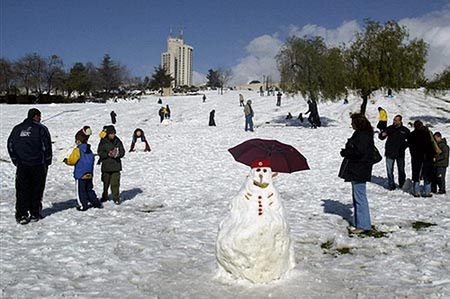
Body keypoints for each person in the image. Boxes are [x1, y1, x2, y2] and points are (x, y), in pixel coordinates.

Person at [7, 108, 52, 224]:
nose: (40, 118)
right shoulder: (41, 129)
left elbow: (10, 145)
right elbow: (47, 146)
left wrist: (15, 159)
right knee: (36, 189)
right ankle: (34, 213)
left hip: (22, 165)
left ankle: (21, 214)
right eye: (39, 116)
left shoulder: (17, 129)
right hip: (37, 164)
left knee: (22, 189)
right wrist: (47, 160)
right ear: (35, 116)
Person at [338, 113, 374, 234]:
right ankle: (361, 223)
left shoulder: (362, 135)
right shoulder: (363, 133)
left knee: (360, 197)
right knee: (358, 197)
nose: (351, 124)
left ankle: (363, 225)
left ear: (358, 123)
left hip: (359, 169)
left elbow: (359, 152)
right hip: (359, 169)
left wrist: (346, 152)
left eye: (353, 122)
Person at [64, 128, 103, 211]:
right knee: (89, 189)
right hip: (89, 174)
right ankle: (96, 203)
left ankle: (83, 205)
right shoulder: (89, 150)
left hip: (80, 175)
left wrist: (66, 161)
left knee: (81, 191)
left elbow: (72, 160)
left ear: (79, 141)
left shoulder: (77, 150)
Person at [378, 115, 410, 190]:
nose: (394, 121)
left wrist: (404, 146)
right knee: (389, 170)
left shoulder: (405, 130)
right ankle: (391, 184)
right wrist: (382, 135)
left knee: (401, 170)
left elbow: (410, 141)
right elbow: (381, 137)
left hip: (400, 153)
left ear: (400, 121)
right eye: (394, 120)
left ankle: (402, 183)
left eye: (396, 120)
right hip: (390, 152)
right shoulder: (389, 128)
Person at [97, 125, 125, 204]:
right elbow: (100, 152)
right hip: (106, 166)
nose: (113, 135)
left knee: (115, 183)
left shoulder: (118, 141)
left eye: (114, 133)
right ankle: (104, 196)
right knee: (105, 183)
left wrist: (117, 154)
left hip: (116, 166)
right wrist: (108, 154)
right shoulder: (103, 141)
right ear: (108, 134)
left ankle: (116, 198)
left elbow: (122, 152)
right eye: (111, 134)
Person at [407, 120, 435, 197]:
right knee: (427, 174)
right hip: (427, 157)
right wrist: (432, 155)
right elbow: (431, 146)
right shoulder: (426, 134)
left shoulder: (412, 135)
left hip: (416, 158)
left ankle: (416, 191)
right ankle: (427, 192)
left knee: (416, 175)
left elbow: (410, 146)